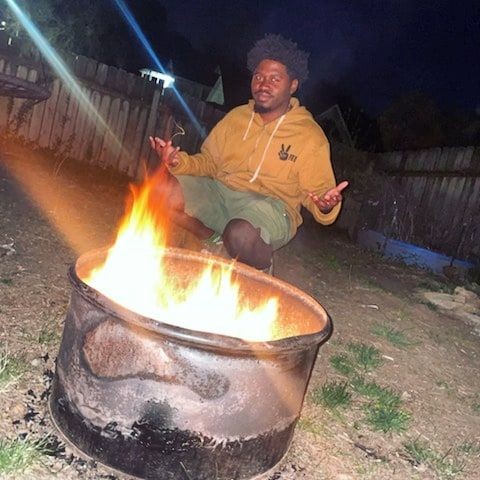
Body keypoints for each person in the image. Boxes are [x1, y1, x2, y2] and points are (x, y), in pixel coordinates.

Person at [150, 34, 348, 271]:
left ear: (292, 85)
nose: (263, 84)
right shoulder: (236, 118)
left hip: (271, 208)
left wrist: (326, 204)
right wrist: (177, 161)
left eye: (275, 78)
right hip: (221, 194)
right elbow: (210, 162)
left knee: (241, 235)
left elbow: (318, 197)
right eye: (259, 76)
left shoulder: (309, 136)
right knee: (160, 191)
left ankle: (261, 271)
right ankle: (214, 240)